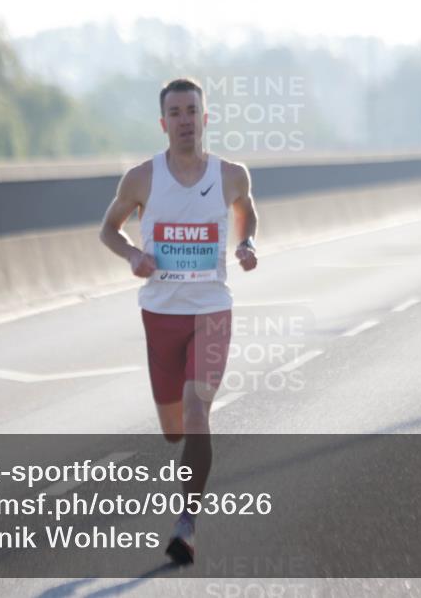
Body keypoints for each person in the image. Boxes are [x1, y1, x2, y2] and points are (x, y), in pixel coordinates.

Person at [99, 77, 259, 565]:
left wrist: (247, 242)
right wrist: (131, 255)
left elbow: (246, 211)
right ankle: (186, 482)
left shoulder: (231, 174)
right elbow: (108, 229)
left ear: (205, 119)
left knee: (196, 414)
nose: (186, 120)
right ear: (163, 122)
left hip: (212, 309)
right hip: (161, 313)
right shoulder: (141, 178)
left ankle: (186, 523)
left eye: (193, 111)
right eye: (177, 112)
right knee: (173, 429)